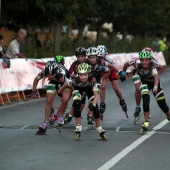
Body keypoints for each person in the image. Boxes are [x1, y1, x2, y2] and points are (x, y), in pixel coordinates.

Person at [57, 63, 107, 141]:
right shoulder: (76, 80)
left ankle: (98, 127)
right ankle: (78, 125)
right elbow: (67, 83)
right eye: (81, 75)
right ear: (78, 74)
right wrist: (59, 91)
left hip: (89, 90)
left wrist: (93, 104)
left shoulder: (92, 79)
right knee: (77, 104)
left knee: (95, 108)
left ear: (89, 74)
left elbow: (96, 95)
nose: (83, 77)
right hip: (78, 89)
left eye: (85, 75)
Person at [124, 50, 170, 135]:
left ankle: (168, 116)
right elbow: (126, 64)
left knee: (163, 105)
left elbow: (156, 77)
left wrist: (155, 86)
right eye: (143, 60)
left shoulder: (153, 65)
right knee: (145, 99)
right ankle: (146, 121)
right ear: (140, 60)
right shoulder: (136, 63)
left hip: (154, 83)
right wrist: (123, 72)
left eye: (146, 60)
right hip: (144, 82)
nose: (144, 62)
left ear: (150, 60)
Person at [33, 60, 71, 135]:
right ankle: (46, 122)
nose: (50, 76)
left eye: (52, 74)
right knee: (48, 101)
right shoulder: (44, 72)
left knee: (65, 99)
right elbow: (36, 79)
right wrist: (34, 91)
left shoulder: (61, 75)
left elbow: (68, 83)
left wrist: (60, 91)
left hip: (65, 83)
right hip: (53, 83)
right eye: (48, 74)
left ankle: (61, 115)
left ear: (56, 72)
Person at [97, 45, 128, 119]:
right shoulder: (96, 57)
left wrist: (120, 73)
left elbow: (113, 67)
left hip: (111, 69)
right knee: (103, 86)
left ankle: (122, 101)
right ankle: (102, 104)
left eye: (101, 57)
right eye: (98, 57)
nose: (100, 59)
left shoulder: (109, 58)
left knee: (115, 88)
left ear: (105, 54)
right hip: (103, 70)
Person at [64, 47, 87, 124]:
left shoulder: (87, 63)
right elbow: (69, 73)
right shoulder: (75, 64)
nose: (80, 58)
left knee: (83, 101)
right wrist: (74, 75)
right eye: (78, 56)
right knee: (76, 99)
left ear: (85, 56)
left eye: (82, 56)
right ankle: (70, 115)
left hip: (86, 85)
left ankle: (77, 113)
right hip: (76, 84)